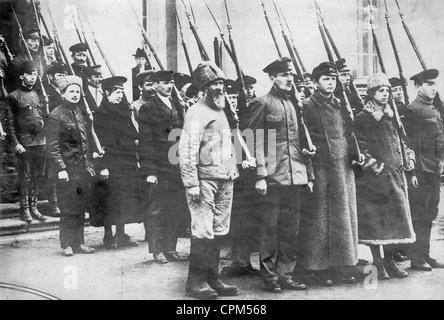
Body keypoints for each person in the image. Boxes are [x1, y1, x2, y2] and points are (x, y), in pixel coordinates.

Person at [245, 57, 313, 293]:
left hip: (295, 176)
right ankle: (269, 275)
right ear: (272, 77)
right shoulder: (261, 103)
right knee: (269, 228)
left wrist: (308, 174)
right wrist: (261, 175)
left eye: (291, 75)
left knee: (290, 229)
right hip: (272, 178)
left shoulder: (293, 104)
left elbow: (299, 142)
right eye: (284, 75)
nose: (289, 79)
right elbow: (252, 140)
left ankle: (286, 273)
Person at [179, 61, 239, 300]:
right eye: (214, 83)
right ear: (203, 87)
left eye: (221, 82)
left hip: (225, 178)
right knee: (203, 231)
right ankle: (195, 283)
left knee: (218, 230)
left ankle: (213, 279)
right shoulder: (196, 111)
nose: (219, 87)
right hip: (203, 180)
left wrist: (233, 170)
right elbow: (186, 150)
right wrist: (191, 182)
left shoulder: (222, 108)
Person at [297, 62, 361, 286]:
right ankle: (317, 266)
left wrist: (355, 156)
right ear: (315, 83)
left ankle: (343, 264)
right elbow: (302, 137)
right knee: (319, 219)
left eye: (333, 78)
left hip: (342, 168)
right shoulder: (306, 105)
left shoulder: (340, 104)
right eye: (326, 79)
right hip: (321, 167)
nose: (331, 82)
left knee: (342, 218)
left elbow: (348, 133)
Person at [354, 73, 416, 280]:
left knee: (394, 220)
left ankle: (390, 261)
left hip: (395, 175)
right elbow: (360, 146)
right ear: (371, 93)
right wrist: (373, 166)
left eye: (387, 91)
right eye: (381, 90)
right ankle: (378, 263)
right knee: (376, 221)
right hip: (376, 178)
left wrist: (408, 158)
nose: (385, 94)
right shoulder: (364, 117)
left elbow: (400, 140)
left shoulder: (391, 115)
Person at [138, 70, 189, 264]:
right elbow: (146, 142)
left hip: (176, 164)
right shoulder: (148, 108)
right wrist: (150, 171)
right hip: (158, 166)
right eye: (165, 83)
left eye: (171, 82)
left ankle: (171, 248)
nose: (169, 86)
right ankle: (157, 250)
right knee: (156, 210)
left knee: (175, 207)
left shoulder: (177, 104)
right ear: (155, 84)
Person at [46, 75, 96, 257]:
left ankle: (79, 242)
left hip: (82, 169)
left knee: (80, 206)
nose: (75, 95)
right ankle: (67, 244)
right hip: (66, 171)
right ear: (62, 93)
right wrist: (61, 168)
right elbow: (52, 146)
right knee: (68, 208)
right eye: (71, 91)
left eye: (77, 91)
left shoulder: (80, 112)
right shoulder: (55, 115)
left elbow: (85, 141)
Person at [93, 76, 144, 249]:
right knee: (109, 199)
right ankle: (108, 235)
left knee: (124, 199)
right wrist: (103, 166)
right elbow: (98, 142)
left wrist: (135, 142)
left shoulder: (125, 111)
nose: (119, 96)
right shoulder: (100, 114)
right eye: (116, 92)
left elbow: (133, 134)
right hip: (110, 164)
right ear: (107, 93)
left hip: (127, 163)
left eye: (122, 92)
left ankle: (121, 233)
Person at [404, 69, 444, 271]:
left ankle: (425, 254)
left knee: (430, 212)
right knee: (419, 212)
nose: (433, 88)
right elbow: (407, 143)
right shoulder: (412, 110)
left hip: (434, 168)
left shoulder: (434, 109)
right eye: (428, 84)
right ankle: (416, 258)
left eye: (435, 84)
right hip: (420, 170)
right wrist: (411, 173)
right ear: (418, 86)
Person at [5, 61, 47, 222]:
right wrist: (16, 143)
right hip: (24, 144)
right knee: (26, 177)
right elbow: (9, 123)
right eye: (29, 74)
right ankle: (25, 210)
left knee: (37, 176)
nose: (32, 77)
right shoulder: (13, 96)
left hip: (40, 142)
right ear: (22, 76)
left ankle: (34, 208)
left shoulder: (38, 94)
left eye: (35, 74)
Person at [5, 28, 44, 93]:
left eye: (38, 41)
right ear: (24, 42)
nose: (37, 44)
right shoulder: (16, 63)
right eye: (33, 41)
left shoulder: (39, 59)